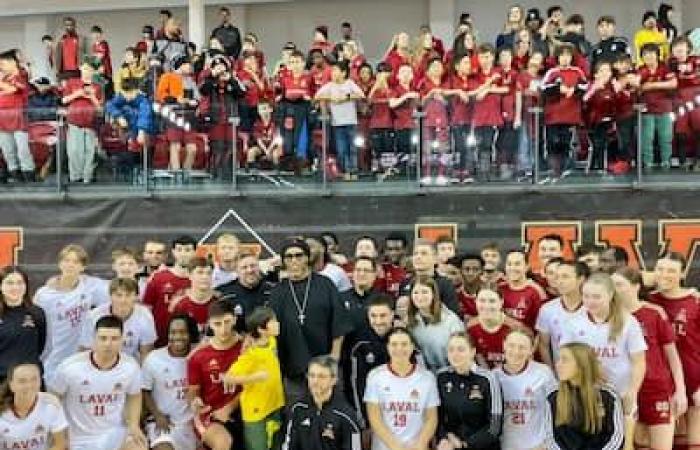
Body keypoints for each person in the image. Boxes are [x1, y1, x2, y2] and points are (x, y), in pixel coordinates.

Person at [560, 273, 647, 447]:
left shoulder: (628, 322)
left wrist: (632, 391)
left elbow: (639, 361)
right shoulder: (573, 322)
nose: (590, 301)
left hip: (620, 394)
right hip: (587, 396)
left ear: (610, 295)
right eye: (586, 296)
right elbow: (567, 358)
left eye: (596, 296)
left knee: (623, 444)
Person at [613, 267, 686, 450]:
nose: (614, 289)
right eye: (611, 285)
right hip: (624, 389)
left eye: (619, 284)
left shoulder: (654, 313)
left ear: (636, 286)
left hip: (656, 388)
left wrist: (680, 390)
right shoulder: (609, 316)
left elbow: (673, 356)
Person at [270, 240, 352, 402]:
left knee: (331, 412)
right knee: (298, 414)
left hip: (325, 364)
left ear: (307, 258)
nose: (294, 260)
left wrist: (334, 356)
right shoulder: (278, 291)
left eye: (298, 255)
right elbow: (272, 328)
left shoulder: (325, 284)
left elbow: (339, 322)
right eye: (289, 256)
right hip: (293, 369)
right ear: (284, 261)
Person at [50, 315, 146, 450]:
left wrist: (134, 425)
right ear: (94, 339)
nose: (108, 344)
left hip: (114, 432)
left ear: (122, 339)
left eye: (114, 339)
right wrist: (59, 432)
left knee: (138, 446)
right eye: (103, 338)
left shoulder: (130, 366)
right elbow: (54, 398)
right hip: (78, 436)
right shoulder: (70, 367)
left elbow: (135, 395)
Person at [648, 252, 700, 449]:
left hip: (694, 377)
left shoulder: (695, 300)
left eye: (672, 270)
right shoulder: (647, 299)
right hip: (660, 381)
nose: (665, 274)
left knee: (694, 441)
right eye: (660, 269)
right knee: (669, 440)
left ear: (682, 273)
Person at [34, 245, 103, 385]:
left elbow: (117, 290)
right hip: (53, 357)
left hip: (80, 357)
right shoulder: (44, 295)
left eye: (76, 262)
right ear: (60, 264)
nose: (70, 265)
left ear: (83, 267)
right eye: (66, 260)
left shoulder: (90, 286)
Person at [364, 327, 439, 450]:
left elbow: (431, 418)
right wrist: (395, 446)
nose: (399, 349)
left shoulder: (427, 378)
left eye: (404, 344)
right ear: (388, 347)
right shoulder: (375, 376)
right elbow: (374, 418)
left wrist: (420, 444)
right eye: (394, 344)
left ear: (412, 347)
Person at [544, 342, 624, 449]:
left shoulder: (608, 395)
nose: (558, 364)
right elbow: (550, 438)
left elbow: (616, 436)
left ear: (582, 364)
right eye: (558, 359)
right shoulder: (553, 396)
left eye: (565, 360)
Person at [186, 300, 243, 450]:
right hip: (211, 415)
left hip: (245, 411)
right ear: (209, 324)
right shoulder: (199, 355)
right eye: (217, 324)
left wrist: (229, 408)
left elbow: (254, 386)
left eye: (227, 322)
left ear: (235, 319)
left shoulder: (246, 348)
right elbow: (193, 391)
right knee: (222, 443)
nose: (223, 329)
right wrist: (195, 401)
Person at [226, 307, 284, 450]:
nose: (278, 323)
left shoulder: (271, 341)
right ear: (261, 329)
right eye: (274, 321)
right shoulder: (250, 355)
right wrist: (254, 377)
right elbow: (228, 378)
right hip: (256, 413)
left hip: (275, 405)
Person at [142, 314, 200, 450]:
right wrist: (157, 415)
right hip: (164, 422)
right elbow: (145, 390)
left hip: (191, 423)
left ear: (191, 334)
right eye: (173, 332)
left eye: (182, 332)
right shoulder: (154, 358)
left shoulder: (198, 355)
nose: (177, 337)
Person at [436, 332, 503, 450]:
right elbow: (437, 417)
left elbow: (495, 426)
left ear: (472, 352)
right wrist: (443, 437)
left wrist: (465, 444)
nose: (455, 354)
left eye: (461, 349)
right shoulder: (441, 377)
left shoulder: (487, 379)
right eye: (451, 350)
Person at [283, 355, 361, 450]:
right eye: (312, 375)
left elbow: (356, 447)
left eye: (321, 376)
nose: (315, 381)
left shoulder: (347, 414)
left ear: (333, 380)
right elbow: (289, 445)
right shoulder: (298, 408)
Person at [494, 330, 555, 450]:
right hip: (505, 446)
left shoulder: (543, 373)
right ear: (504, 345)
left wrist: (546, 444)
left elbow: (556, 411)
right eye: (512, 345)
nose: (516, 351)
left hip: (539, 446)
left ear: (531, 350)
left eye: (522, 347)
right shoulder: (493, 377)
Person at [79, 278, 156, 362]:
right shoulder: (94, 316)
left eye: (128, 295)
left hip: (130, 364)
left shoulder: (145, 316)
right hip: (100, 362)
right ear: (110, 296)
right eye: (118, 295)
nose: (123, 300)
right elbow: (85, 350)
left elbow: (146, 352)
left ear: (136, 297)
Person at [343, 295, 393, 424]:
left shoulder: (402, 339)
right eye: (373, 316)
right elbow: (355, 385)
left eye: (383, 315)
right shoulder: (359, 343)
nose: (378, 321)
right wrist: (363, 420)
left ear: (392, 315)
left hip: (398, 410)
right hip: (370, 413)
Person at [540, 43, 587, 179]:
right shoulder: (552, 72)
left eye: (568, 55)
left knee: (568, 144)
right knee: (553, 144)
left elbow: (585, 87)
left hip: (571, 117)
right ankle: (554, 172)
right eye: (562, 55)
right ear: (557, 57)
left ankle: (567, 172)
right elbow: (543, 89)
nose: (565, 59)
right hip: (553, 117)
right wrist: (558, 88)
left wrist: (574, 90)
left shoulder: (577, 72)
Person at [143, 235, 196, 347]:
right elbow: (146, 310)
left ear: (195, 252)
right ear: (173, 252)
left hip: (190, 343)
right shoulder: (158, 277)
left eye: (187, 250)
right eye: (179, 249)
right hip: (160, 341)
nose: (183, 253)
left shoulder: (200, 280)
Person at [0, 363, 68, 450]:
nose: (29, 385)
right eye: (22, 381)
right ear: (11, 385)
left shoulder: (51, 405)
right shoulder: (2, 411)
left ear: (40, 381)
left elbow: (60, 444)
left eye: (34, 379)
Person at [315, 60, 365, 180]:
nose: (333, 73)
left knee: (352, 148)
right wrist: (331, 98)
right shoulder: (329, 86)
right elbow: (317, 96)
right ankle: (345, 171)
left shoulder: (350, 84)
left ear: (343, 73)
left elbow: (361, 95)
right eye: (332, 71)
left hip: (351, 122)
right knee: (341, 149)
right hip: (337, 123)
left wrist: (346, 97)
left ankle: (354, 171)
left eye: (336, 71)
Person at [536, 261, 589, 369]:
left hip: (589, 374)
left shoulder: (593, 308)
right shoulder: (547, 309)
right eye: (557, 277)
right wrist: (551, 372)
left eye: (565, 277)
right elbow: (544, 345)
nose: (559, 281)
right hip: (562, 375)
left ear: (581, 279)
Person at [404, 278, 463, 371]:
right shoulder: (410, 322)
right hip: (424, 374)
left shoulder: (450, 320)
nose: (420, 297)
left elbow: (461, 351)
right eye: (416, 293)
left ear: (433, 295)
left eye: (424, 292)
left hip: (451, 371)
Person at [0, 267, 45, 383]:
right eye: (9, 283)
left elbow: (41, 346)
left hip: (30, 381)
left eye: (20, 283)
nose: (15, 287)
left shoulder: (37, 313)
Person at [62, 58, 102, 184]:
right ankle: (75, 177)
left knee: (90, 151)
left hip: (90, 123)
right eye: (85, 68)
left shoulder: (97, 86)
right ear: (80, 68)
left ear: (94, 71)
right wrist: (77, 94)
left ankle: (87, 177)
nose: (87, 71)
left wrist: (92, 97)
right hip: (74, 121)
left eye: (90, 69)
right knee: (74, 150)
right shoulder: (72, 82)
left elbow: (100, 108)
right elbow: (64, 100)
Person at [639, 43, 677, 170]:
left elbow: (673, 83)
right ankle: (647, 163)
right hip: (646, 109)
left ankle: (666, 161)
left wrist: (652, 85)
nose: (649, 56)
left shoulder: (665, 68)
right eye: (645, 54)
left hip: (664, 108)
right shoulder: (640, 70)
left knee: (666, 136)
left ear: (657, 55)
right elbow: (636, 86)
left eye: (651, 53)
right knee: (647, 138)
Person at [0, 50, 35, 183]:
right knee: (8, 150)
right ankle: (14, 175)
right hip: (2, 119)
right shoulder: (4, 77)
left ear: (13, 63)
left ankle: (29, 178)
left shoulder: (22, 75)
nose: (1, 66)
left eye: (3, 63)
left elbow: (15, 89)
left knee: (23, 150)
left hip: (18, 119)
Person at [398, 240, 459, 315]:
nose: (418, 257)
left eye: (424, 253)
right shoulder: (405, 282)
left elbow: (453, 314)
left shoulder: (445, 284)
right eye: (415, 254)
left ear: (435, 258)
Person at [467, 288, 522, 369]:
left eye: (492, 301)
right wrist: (487, 374)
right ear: (475, 301)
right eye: (482, 300)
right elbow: (476, 354)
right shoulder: (471, 326)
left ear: (501, 302)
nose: (487, 306)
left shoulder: (514, 327)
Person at [218, 251, 275, 322]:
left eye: (253, 266)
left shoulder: (273, 290)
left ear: (259, 267)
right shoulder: (226, 294)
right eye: (244, 267)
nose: (250, 270)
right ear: (236, 271)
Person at [497, 250, 546, 331]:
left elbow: (542, 328)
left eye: (517, 264)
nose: (512, 268)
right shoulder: (499, 288)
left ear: (527, 267)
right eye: (509, 264)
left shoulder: (536, 291)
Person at [170, 257, 218, 335]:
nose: (205, 277)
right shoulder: (178, 303)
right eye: (200, 272)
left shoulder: (220, 301)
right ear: (189, 275)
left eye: (209, 273)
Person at [584, 61, 617, 172]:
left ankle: (601, 167)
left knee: (605, 145)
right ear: (596, 74)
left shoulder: (612, 87)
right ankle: (595, 168)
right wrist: (594, 89)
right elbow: (584, 101)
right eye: (601, 71)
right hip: (594, 122)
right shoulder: (591, 86)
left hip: (609, 121)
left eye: (607, 70)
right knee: (597, 144)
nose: (605, 73)